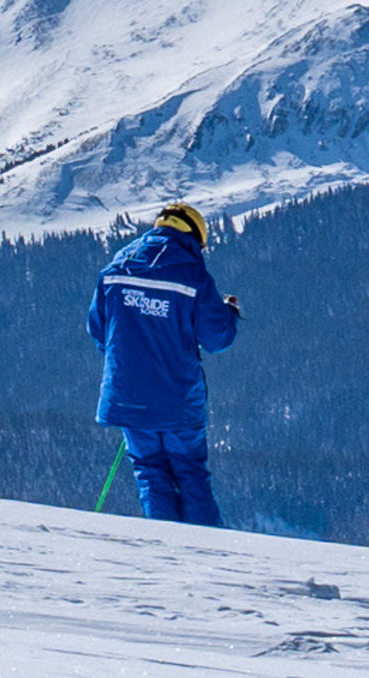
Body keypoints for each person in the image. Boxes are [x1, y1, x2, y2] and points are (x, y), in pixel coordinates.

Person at [89, 203, 241, 525]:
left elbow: (98, 328)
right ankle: (208, 554)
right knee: (190, 476)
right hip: (177, 399)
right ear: (195, 236)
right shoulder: (191, 273)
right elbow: (217, 338)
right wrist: (228, 312)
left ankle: (165, 552)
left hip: (126, 395)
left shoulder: (119, 265)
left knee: (150, 473)